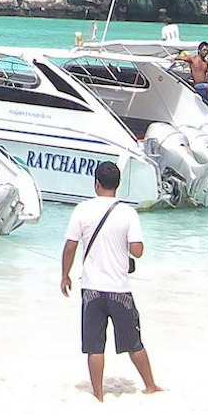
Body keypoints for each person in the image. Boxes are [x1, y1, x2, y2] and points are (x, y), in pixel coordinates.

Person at [60, 161, 158, 401]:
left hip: (91, 289)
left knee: (94, 346)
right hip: (119, 290)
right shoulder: (127, 213)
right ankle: (151, 386)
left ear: (96, 184)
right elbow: (137, 251)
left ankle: (99, 394)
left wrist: (65, 275)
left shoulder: (82, 210)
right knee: (134, 342)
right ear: (118, 185)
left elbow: (70, 246)